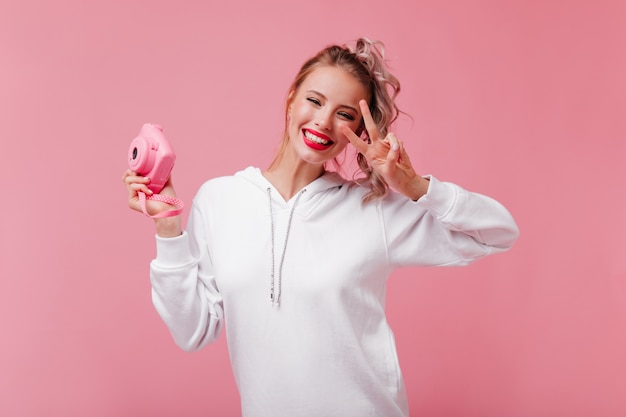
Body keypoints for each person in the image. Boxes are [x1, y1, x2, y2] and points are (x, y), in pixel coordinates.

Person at [123, 38, 519, 417]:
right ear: (291, 99)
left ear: (359, 131)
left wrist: (414, 186)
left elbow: (498, 231)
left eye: (345, 114)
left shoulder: (373, 209)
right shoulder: (219, 200)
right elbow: (193, 331)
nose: (325, 122)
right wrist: (168, 227)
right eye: (315, 101)